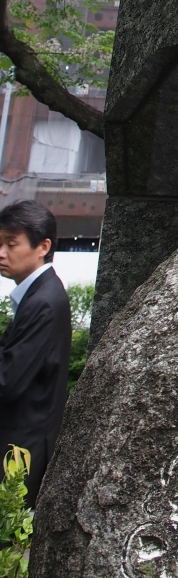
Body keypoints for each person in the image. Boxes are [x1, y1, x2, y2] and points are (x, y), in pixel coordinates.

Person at [0, 200, 72, 506]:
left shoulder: (43, 301)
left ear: (43, 246)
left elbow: (7, 381)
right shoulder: (39, 294)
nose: (2, 253)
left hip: (20, 450)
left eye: (11, 244)